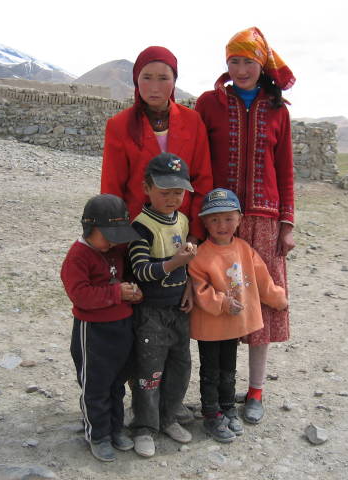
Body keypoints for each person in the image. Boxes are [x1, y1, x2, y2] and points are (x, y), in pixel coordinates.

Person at [195, 27, 296, 425]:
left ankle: (255, 390)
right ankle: (218, 393)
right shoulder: (209, 103)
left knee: (261, 307)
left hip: (266, 221)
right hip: (219, 220)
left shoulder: (279, 110)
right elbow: (200, 159)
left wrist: (287, 222)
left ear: (261, 64)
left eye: (248, 61)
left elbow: (285, 169)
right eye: (233, 61)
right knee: (221, 302)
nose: (240, 69)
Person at [189, 188, 288, 442]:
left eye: (228, 218)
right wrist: (222, 303)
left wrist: (278, 299)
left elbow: (263, 280)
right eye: (214, 219)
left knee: (229, 370)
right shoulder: (200, 256)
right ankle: (211, 414)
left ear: (239, 219)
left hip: (232, 327)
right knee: (210, 371)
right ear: (204, 222)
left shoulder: (244, 249)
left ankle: (228, 408)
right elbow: (199, 290)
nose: (222, 225)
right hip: (210, 327)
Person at [101, 45, 213, 243]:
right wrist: (117, 241)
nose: (154, 87)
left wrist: (195, 234)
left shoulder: (192, 122)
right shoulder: (119, 125)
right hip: (137, 232)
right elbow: (112, 187)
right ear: (136, 79)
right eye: (147, 77)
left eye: (163, 78)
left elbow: (202, 179)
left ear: (174, 81)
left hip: (182, 231)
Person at [60, 194, 142, 463]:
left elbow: (123, 278)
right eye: (107, 235)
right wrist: (117, 293)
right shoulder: (78, 257)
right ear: (88, 228)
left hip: (121, 327)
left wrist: (133, 291)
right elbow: (81, 295)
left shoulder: (114, 250)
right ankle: (98, 435)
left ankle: (115, 429)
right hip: (93, 333)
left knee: (117, 384)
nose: (113, 241)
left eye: (117, 236)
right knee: (96, 385)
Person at [127, 153, 198, 457]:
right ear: (147, 188)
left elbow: (185, 264)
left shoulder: (181, 220)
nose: (172, 198)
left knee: (180, 366)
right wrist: (175, 262)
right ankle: (145, 427)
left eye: (178, 192)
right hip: (150, 314)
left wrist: (189, 286)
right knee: (149, 371)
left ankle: (167, 417)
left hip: (178, 312)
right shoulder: (140, 227)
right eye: (165, 191)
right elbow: (141, 270)